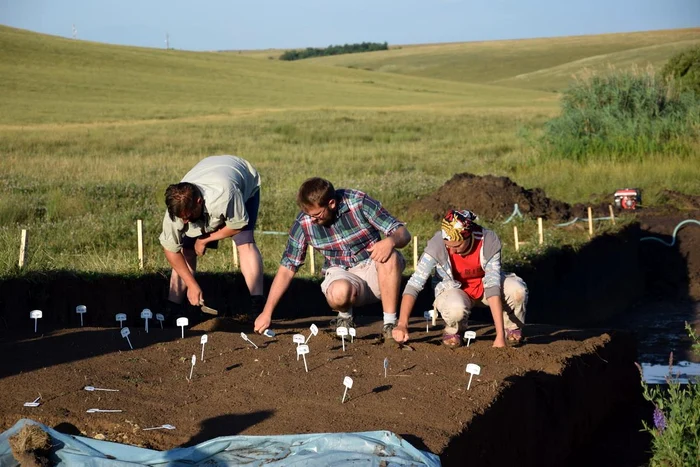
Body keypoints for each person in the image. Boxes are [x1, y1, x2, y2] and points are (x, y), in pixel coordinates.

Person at [253, 177, 411, 343]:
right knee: (339, 292)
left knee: (390, 256)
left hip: (374, 269)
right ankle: (345, 318)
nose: (312, 219)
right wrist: (267, 312)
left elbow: (403, 233)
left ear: (332, 203)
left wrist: (391, 241)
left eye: (317, 214)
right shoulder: (304, 223)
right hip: (341, 272)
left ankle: (390, 325)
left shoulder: (358, 202)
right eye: (308, 214)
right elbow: (287, 268)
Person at [392, 209, 527, 348]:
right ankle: (454, 331)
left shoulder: (488, 241)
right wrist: (402, 324)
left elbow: (492, 286)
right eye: (448, 246)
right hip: (454, 291)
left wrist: (499, 336)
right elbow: (414, 284)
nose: (453, 251)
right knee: (455, 307)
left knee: (517, 290)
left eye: (457, 246)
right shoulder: (436, 245)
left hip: (484, 288)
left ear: (468, 236)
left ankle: (512, 328)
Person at [159, 155, 265, 319]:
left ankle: (257, 307)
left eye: (187, 216)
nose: (184, 222)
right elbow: (171, 250)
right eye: (181, 218)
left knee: (245, 242)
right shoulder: (176, 211)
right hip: (208, 171)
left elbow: (238, 224)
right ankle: (172, 310)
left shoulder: (225, 194)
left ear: (199, 201)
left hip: (244, 182)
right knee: (186, 249)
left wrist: (205, 239)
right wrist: (191, 284)